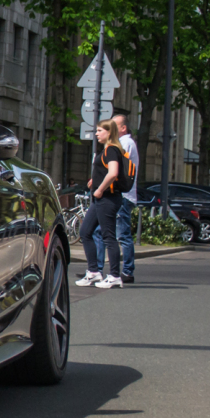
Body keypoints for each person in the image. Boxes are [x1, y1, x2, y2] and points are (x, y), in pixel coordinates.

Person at [76, 119, 125, 289]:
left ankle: (114, 276)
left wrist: (100, 189)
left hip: (107, 199)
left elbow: (113, 173)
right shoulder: (106, 150)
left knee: (108, 236)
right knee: (85, 231)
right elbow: (104, 170)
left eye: (99, 131)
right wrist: (94, 181)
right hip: (101, 199)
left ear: (109, 132)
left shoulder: (111, 149)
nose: (96, 134)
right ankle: (94, 272)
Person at [90, 113, 138, 282]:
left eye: (114, 126)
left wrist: (100, 188)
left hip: (119, 194)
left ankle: (124, 272)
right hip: (119, 194)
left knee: (119, 234)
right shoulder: (117, 145)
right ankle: (97, 270)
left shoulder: (123, 144)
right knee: (100, 232)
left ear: (122, 128)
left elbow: (114, 170)